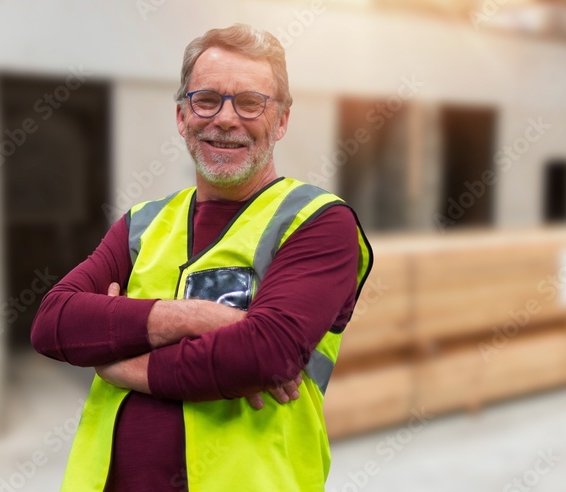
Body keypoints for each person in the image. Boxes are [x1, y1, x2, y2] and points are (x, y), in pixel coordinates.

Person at [31, 24, 373, 491]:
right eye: (206, 99)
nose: (226, 119)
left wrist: (119, 362)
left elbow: (266, 354)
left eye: (250, 102)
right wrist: (191, 317)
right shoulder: (142, 223)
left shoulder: (319, 222)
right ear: (181, 115)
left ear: (282, 120)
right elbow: (53, 322)